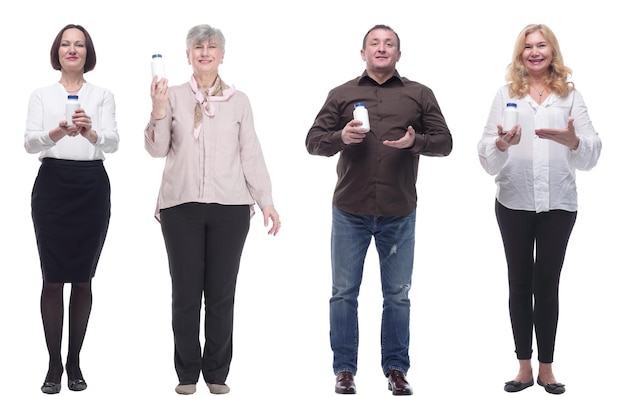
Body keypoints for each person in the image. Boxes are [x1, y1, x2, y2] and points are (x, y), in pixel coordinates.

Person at [305, 24, 452, 395]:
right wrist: (341, 137)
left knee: (398, 295)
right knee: (343, 293)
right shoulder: (342, 94)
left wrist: (414, 141)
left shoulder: (420, 94)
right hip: (350, 210)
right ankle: (344, 371)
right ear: (363, 52)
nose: (382, 48)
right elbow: (312, 142)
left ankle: (396, 370)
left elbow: (445, 142)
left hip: (398, 211)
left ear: (399, 54)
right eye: (375, 43)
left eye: (389, 44)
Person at [144, 24, 281, 395]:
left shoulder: (239, 101)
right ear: (188, 55)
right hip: (180, 206)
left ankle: (217, 373)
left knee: (221, 293)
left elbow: (250, 153)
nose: (205, 52)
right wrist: (158, 110)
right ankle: (187, 372)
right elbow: (157, 151)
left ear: (222, 55)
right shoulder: (169, 96)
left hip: (231, 207)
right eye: (197, 47)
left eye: (212, 47)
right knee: (186, 292)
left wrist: (265, 199)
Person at [477, 24, 601, 395]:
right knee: (520, 283)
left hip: (558, 204)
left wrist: (573, 139)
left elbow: (592, 151)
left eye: (541, 45)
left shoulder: (570, 97)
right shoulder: (505, 95)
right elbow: (485, 155)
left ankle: (547, 367)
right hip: (514, 202)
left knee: (547, 284)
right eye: (527, 46)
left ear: (552, 51)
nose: (534, 52)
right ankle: (523, 366)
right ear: (520, 54)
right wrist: (500, 143)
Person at [24, 24, 119, 394]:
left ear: (87, 52)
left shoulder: (103, 95)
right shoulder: (41, 95)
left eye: (79, 44)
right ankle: (52, 365)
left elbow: (112, 141)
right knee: (51, 278)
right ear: (57, 51)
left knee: (83, 278)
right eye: (66, 44)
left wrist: (91, 132)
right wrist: (57, 133)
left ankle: (75, 362)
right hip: (52, 186)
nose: (72, 49)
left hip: (91, 187)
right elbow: (30, 143)